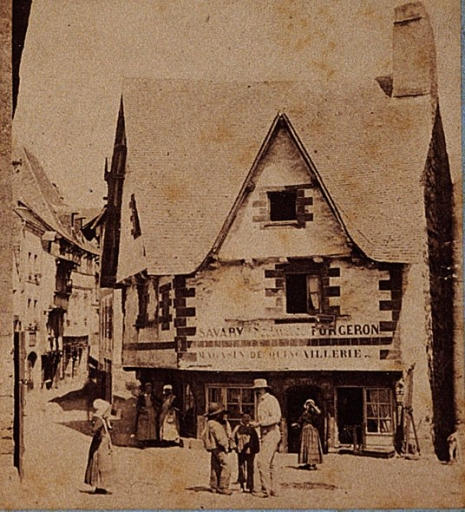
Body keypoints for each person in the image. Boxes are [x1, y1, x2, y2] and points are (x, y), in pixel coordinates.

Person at [249, 378, 282, 498]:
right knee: (272, 463)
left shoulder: (271, 400)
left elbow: (276, 418)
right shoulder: (261, 401)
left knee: (262, 462)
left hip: (271, 433)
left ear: (264, 389)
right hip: (266, 434)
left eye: (258, 389)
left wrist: (259, 424)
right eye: (255, 390)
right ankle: (274, 489)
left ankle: (265, 490)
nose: (257, 391)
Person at [84, 399, 114, 494]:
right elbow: (95, 431)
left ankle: (100, 486)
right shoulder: (99, 420)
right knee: (101, 463)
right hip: (100, 445)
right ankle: (99, 486)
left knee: (102, 463)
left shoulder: (101, 419)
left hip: (102, 444)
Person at [204, 402, 233, 495]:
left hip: (213, 447)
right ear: (217, 415)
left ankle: (214, 485)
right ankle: (223, 486)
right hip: (219, 447)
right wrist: (226, 446)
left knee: (215, 466)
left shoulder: (209, 423)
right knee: (226, 465)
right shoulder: (216, 425)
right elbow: (221, 438)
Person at [292, 398, 323, 470]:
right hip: (305, 430)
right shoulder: (304, 413)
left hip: (312, 430)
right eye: (308, 404)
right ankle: (307, 462)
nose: (309, 406)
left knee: (312, 446)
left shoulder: (314, 412)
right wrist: (296, 424)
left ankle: (313, 463)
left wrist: (313, 407)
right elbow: (300, 421)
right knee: (305, 446)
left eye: (310, 404)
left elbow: (318, 414)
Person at [232, 413, 259, 492]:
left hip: (250, 451)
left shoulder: (253, 428)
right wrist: (235, 447)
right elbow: (232, 437)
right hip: (241, 450)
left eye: (248, 418)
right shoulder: (238, 428)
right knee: (241, 467)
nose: (246, 419)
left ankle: (250, 486)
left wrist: (254, 449)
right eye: (244, 417)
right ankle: (241, 485)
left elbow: (256, 440)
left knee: (250, 467)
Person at [134, 382, 159, 448]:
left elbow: (157, 403)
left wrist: (155, 410)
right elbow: (138, 406)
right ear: (145, 389)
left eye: (150, 388)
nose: (149, 389)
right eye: (147, 388)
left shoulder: (153, 396)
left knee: (151, 427)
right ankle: (142, 441)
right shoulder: (141, 396)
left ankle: (149, 441)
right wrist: (142, 410)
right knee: (143, 427)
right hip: (144, 412)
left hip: (151, 412)